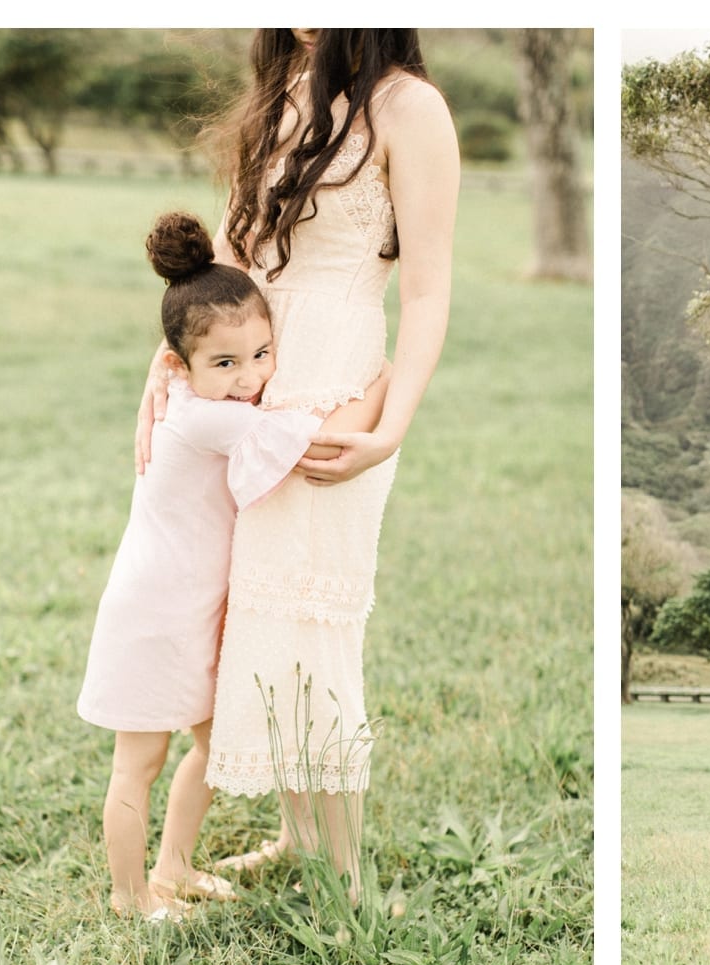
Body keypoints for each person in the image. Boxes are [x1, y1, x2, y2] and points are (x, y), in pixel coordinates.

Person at [134, 29, 458, 903]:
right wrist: (164, 370)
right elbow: (230, 265)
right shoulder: (275, 98)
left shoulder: (409, 107)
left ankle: (345, 874)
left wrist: (392, 423)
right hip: (247, 384)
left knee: (316, 621)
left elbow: (429, 285)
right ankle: (294, 831)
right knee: (255, 613)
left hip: (336, 391)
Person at [79, 211, 385, 921]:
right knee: (138, 765)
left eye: (261, 353)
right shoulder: (200, 415)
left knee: (214, 748)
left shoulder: (210, 395)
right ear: (175, 365)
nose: (249, 377)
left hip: (192, 612)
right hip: (152, 618)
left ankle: (175, 866)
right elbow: (306, 442)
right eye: (224, 363)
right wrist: (380, 387)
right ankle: (131, 898)